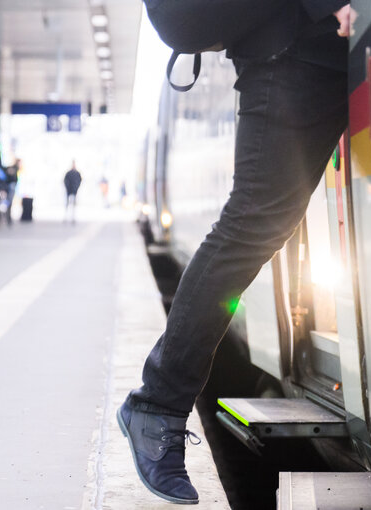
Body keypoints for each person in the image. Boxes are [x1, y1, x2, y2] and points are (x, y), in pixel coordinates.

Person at [117, 2, 355, 504]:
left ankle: (158, 403)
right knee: (252, 224)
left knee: (261, 223)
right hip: (296, 55)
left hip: (325, 51)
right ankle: (157, 404)